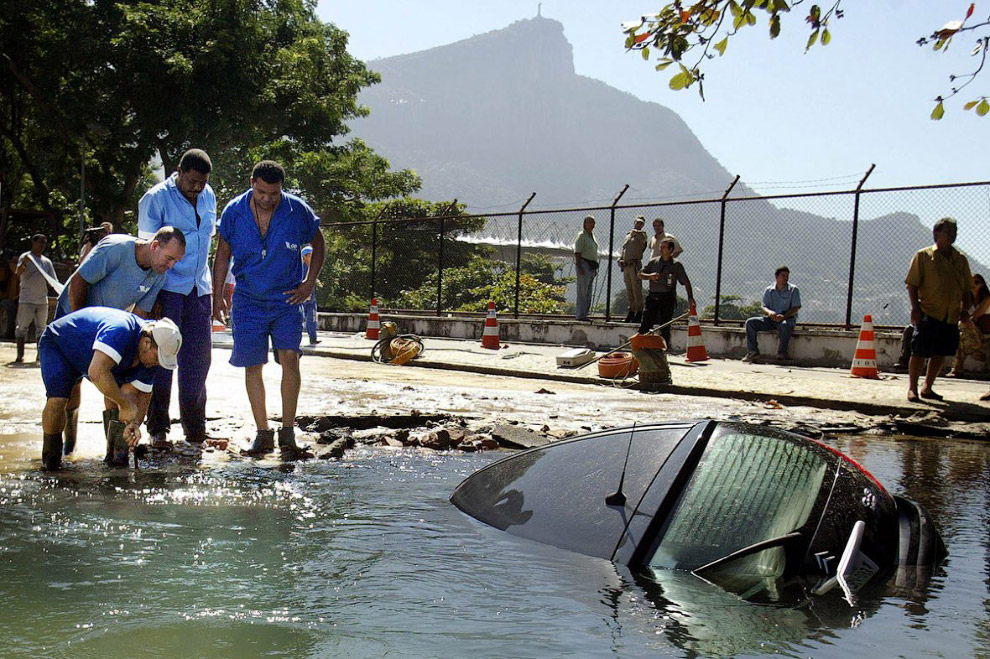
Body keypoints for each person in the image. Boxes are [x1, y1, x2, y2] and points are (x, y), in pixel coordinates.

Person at [212, 160, 325, 460]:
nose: (267, 199)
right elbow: (222, 255)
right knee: (253, 365)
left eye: (273, 193)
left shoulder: (296, 210)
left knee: (290, 358)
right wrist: (218, 297)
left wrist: (308, 283)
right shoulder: (233, 212)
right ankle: (263, 433)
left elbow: (319, 243)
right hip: (248, 300)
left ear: (281, 189)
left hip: (286, 299)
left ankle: (288, 432)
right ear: (252, 182)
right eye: (262, 192)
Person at [54, 226, 185, 457]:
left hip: (112, 328)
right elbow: (78, 283)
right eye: (169, 258)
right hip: (76, 317)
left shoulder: (158, 274)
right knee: (71, 385)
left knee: (113, 382)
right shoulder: (116, 248)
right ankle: (68, 446)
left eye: (176, 261)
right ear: (155, 246)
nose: (171, 265)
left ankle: (115, 453)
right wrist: (84, 333)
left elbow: (140, 319)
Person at [138, 148, 217, 450]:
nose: (197, 188)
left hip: (200, 289)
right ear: (179, 172)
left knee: (198, 361)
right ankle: (158, 428)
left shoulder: (209, 195)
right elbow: (147, 252)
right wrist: (150, 297)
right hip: (166, 288)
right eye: (193, 181)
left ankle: (195, 429)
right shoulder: (155, 198)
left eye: (203, 182)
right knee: (161, 360)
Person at [37, 307, 181, 470]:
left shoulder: (152, 356)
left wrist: (135, 423)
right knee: (58, 400)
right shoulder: (121, 331)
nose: (157, 364)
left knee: (127, 396)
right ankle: (52, 460)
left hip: (91, 357)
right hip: (60, 345)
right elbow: (97, 372)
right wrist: (124, 404)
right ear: (146, 343)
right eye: (157, 358)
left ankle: (115, 460)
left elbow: (143, 395)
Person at [905, 217, 971, 402]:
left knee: (940, 352)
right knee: (919, 351)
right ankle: (912, 388)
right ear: (936, 234)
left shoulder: (961, 259)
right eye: (948, 231)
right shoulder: (924, 256)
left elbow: (966, 288)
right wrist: (915, 308)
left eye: (954, 231)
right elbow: (912, 284)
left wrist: (965, 309)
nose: (952, 234)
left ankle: (928, 387)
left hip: (951, 314)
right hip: (929, 311)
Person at [637, 238, 695, 346]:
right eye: (660, 246)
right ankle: (641, 347)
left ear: (670, 249)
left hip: (667, 298)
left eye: (664, 247)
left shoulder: (676, 265)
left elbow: (686, 282)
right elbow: (640, 274)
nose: (661, 249)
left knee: (665, 326)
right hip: (653, 296)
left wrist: (690, 298)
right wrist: (650, 276)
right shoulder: (653, 262)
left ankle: (663, 349)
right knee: (646, 323)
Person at [13, 234, 58, 363]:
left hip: (42, 300)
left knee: (41, 328)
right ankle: (20, 355)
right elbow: (18, 272)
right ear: (33, 243)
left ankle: (40, 356)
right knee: (22, 327)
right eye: (40, 242)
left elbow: (53, 280)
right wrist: (25, 263)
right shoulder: (26, 257)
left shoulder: (46, 262)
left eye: (44, 243)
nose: (42, 245)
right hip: (26, 299)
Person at [742, 266, 802, 363]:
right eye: (783, 276)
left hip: (787, 318)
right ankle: (752, 351)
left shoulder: (793, 290)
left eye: (787, 276)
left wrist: (784, 316)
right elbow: (764, 306)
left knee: (785, 325)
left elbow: (796, 307)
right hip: (771, 319)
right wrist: (770, 313)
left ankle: (782, 353)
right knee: (750, 323)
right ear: (776, 277)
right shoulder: (769, 290)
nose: (786, 278)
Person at [946, 274, 990, 378]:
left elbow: (976, 315)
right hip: (971, 335)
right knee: (960, 337)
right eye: (971, 282)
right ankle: (957, 369)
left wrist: (967, 318)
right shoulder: (966, 301)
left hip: (985, 335)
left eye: (976, 282)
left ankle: (957, 369)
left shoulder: (987, 299)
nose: (973, 285)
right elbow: (958, 315)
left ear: (982, 285)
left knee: (962, 330)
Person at [617, 216, 648, 323]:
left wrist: (637, 232)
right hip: (626, 265)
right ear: (634, 222)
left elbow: (642, 243)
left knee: (636, 289)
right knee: (629, 289)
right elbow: (624, 249)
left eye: (641, 223)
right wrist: (620, 259)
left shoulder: (642, 235)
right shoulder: (628, 235)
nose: (638, 225)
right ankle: (631, 311)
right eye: (637, 223)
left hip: (635, 265)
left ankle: (639, 312)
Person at [573, 215, 599, 322]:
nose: (592, 225)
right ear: (585, 224)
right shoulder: (582, 236)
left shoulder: (592, 236)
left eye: (593, 222)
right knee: (582, 291)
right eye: (589, 222)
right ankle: (580, 314)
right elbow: (577, 252)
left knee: (588, 291)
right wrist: (579, 267)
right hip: (583, 264)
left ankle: (585, 313)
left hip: (591, 266)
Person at [301, 244, 320, 345]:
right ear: (304, 257)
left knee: (313, 318)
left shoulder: (312, 268)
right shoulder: (301, 269)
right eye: (310, 255)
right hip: (304, 299)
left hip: (312, 299)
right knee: (301, 319)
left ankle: (313, 338)